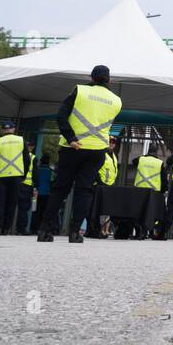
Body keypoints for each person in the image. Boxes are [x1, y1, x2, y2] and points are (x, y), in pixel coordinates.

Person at [37, 65, 122, 244]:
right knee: (84, 191)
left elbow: (61, 116)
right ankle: (75, 233)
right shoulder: (116, 100)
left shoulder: (79, 91)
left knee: (60, 189)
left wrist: (70, 138)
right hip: (97, 150)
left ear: (91, 77)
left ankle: (45, 230)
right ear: (109, 80)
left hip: (72, 148)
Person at [122, 147, 167, 240]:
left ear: (148, 152)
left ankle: (138, 230)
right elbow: (164, 180)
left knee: (138, 212)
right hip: (153, 193)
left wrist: (144, 157)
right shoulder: (160, 163)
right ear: (156, 153)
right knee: (150, 213)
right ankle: (147, 231)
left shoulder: (140, 160)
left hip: (139, 190)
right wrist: (162, 190)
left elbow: (133, 161)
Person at [87, 136, 120, 238]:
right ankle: (92, 230)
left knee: (104, 210)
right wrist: (99, 182)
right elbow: (95, 169)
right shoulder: (101, 153)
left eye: (114, 142)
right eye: (110, 142)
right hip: (99, 186)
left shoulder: (114, 156)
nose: (112, 144)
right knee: (95, 209)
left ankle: (100, 230)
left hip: (109, 187)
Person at [15, 141, 37, 235]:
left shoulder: (17, 155)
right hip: (26, 186)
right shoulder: (33, 158)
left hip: (16, 183)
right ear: (32, 147)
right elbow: (35, 174)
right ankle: (21, 229)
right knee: (23, 209)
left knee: (11, 206)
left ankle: (5, 228)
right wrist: (36, 187)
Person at [29, 153, 53, 235]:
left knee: (35, 211)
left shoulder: (37, 170)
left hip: (36, 194)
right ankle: (41, 229)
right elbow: (52, 182)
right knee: (44, 212)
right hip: (46, 195)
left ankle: (33, 229)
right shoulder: (50, 171)